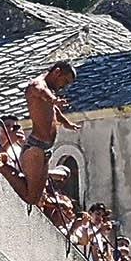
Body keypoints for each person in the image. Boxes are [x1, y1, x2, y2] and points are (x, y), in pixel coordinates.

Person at [19, 61, 76, 206]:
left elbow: (53, 109)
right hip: (35, 146)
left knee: (36, 198)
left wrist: (65, 122)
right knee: (29, 196)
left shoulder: (50, 91)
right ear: (57, 72)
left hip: (45, 148)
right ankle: (2, 168)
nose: (65, 86)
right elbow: (40, 91)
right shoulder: (37, 85)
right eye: (65, 81)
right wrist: (54, 100)